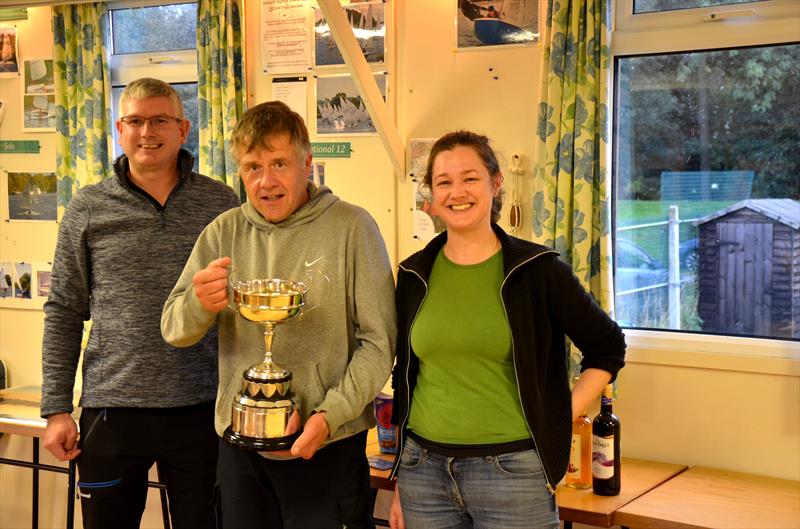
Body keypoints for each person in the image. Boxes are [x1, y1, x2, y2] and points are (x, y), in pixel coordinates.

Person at [161, 100, 397, 529]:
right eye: (253, 167)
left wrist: (329, 416)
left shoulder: (353, 228)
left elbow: (379, 342)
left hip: (327, 447)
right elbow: (174, 329)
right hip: (241, 452)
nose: (266, 181)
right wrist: (199, 304)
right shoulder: (223, 232)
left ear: (306, 163)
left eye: (279, 163)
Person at [388, 131, 626, 529]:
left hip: (512, 473)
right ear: (430, 195)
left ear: (496, 183)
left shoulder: (538, 271)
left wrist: (559, 415)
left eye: (470, 178)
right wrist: (400, 479)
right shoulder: (413, 274)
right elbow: (405, 378)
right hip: (422, 471)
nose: (457, 192)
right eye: (444, 182)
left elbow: (608, 347)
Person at [40, 78, 241, 529]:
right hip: (113, 412)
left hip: (203, 409)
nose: (147, 131)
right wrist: (56, 409)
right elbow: (64, 310)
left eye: (160, 120)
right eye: (135, 120)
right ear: (118, 128)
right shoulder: (88, 208)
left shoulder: (220, 203)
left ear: (183, 128)